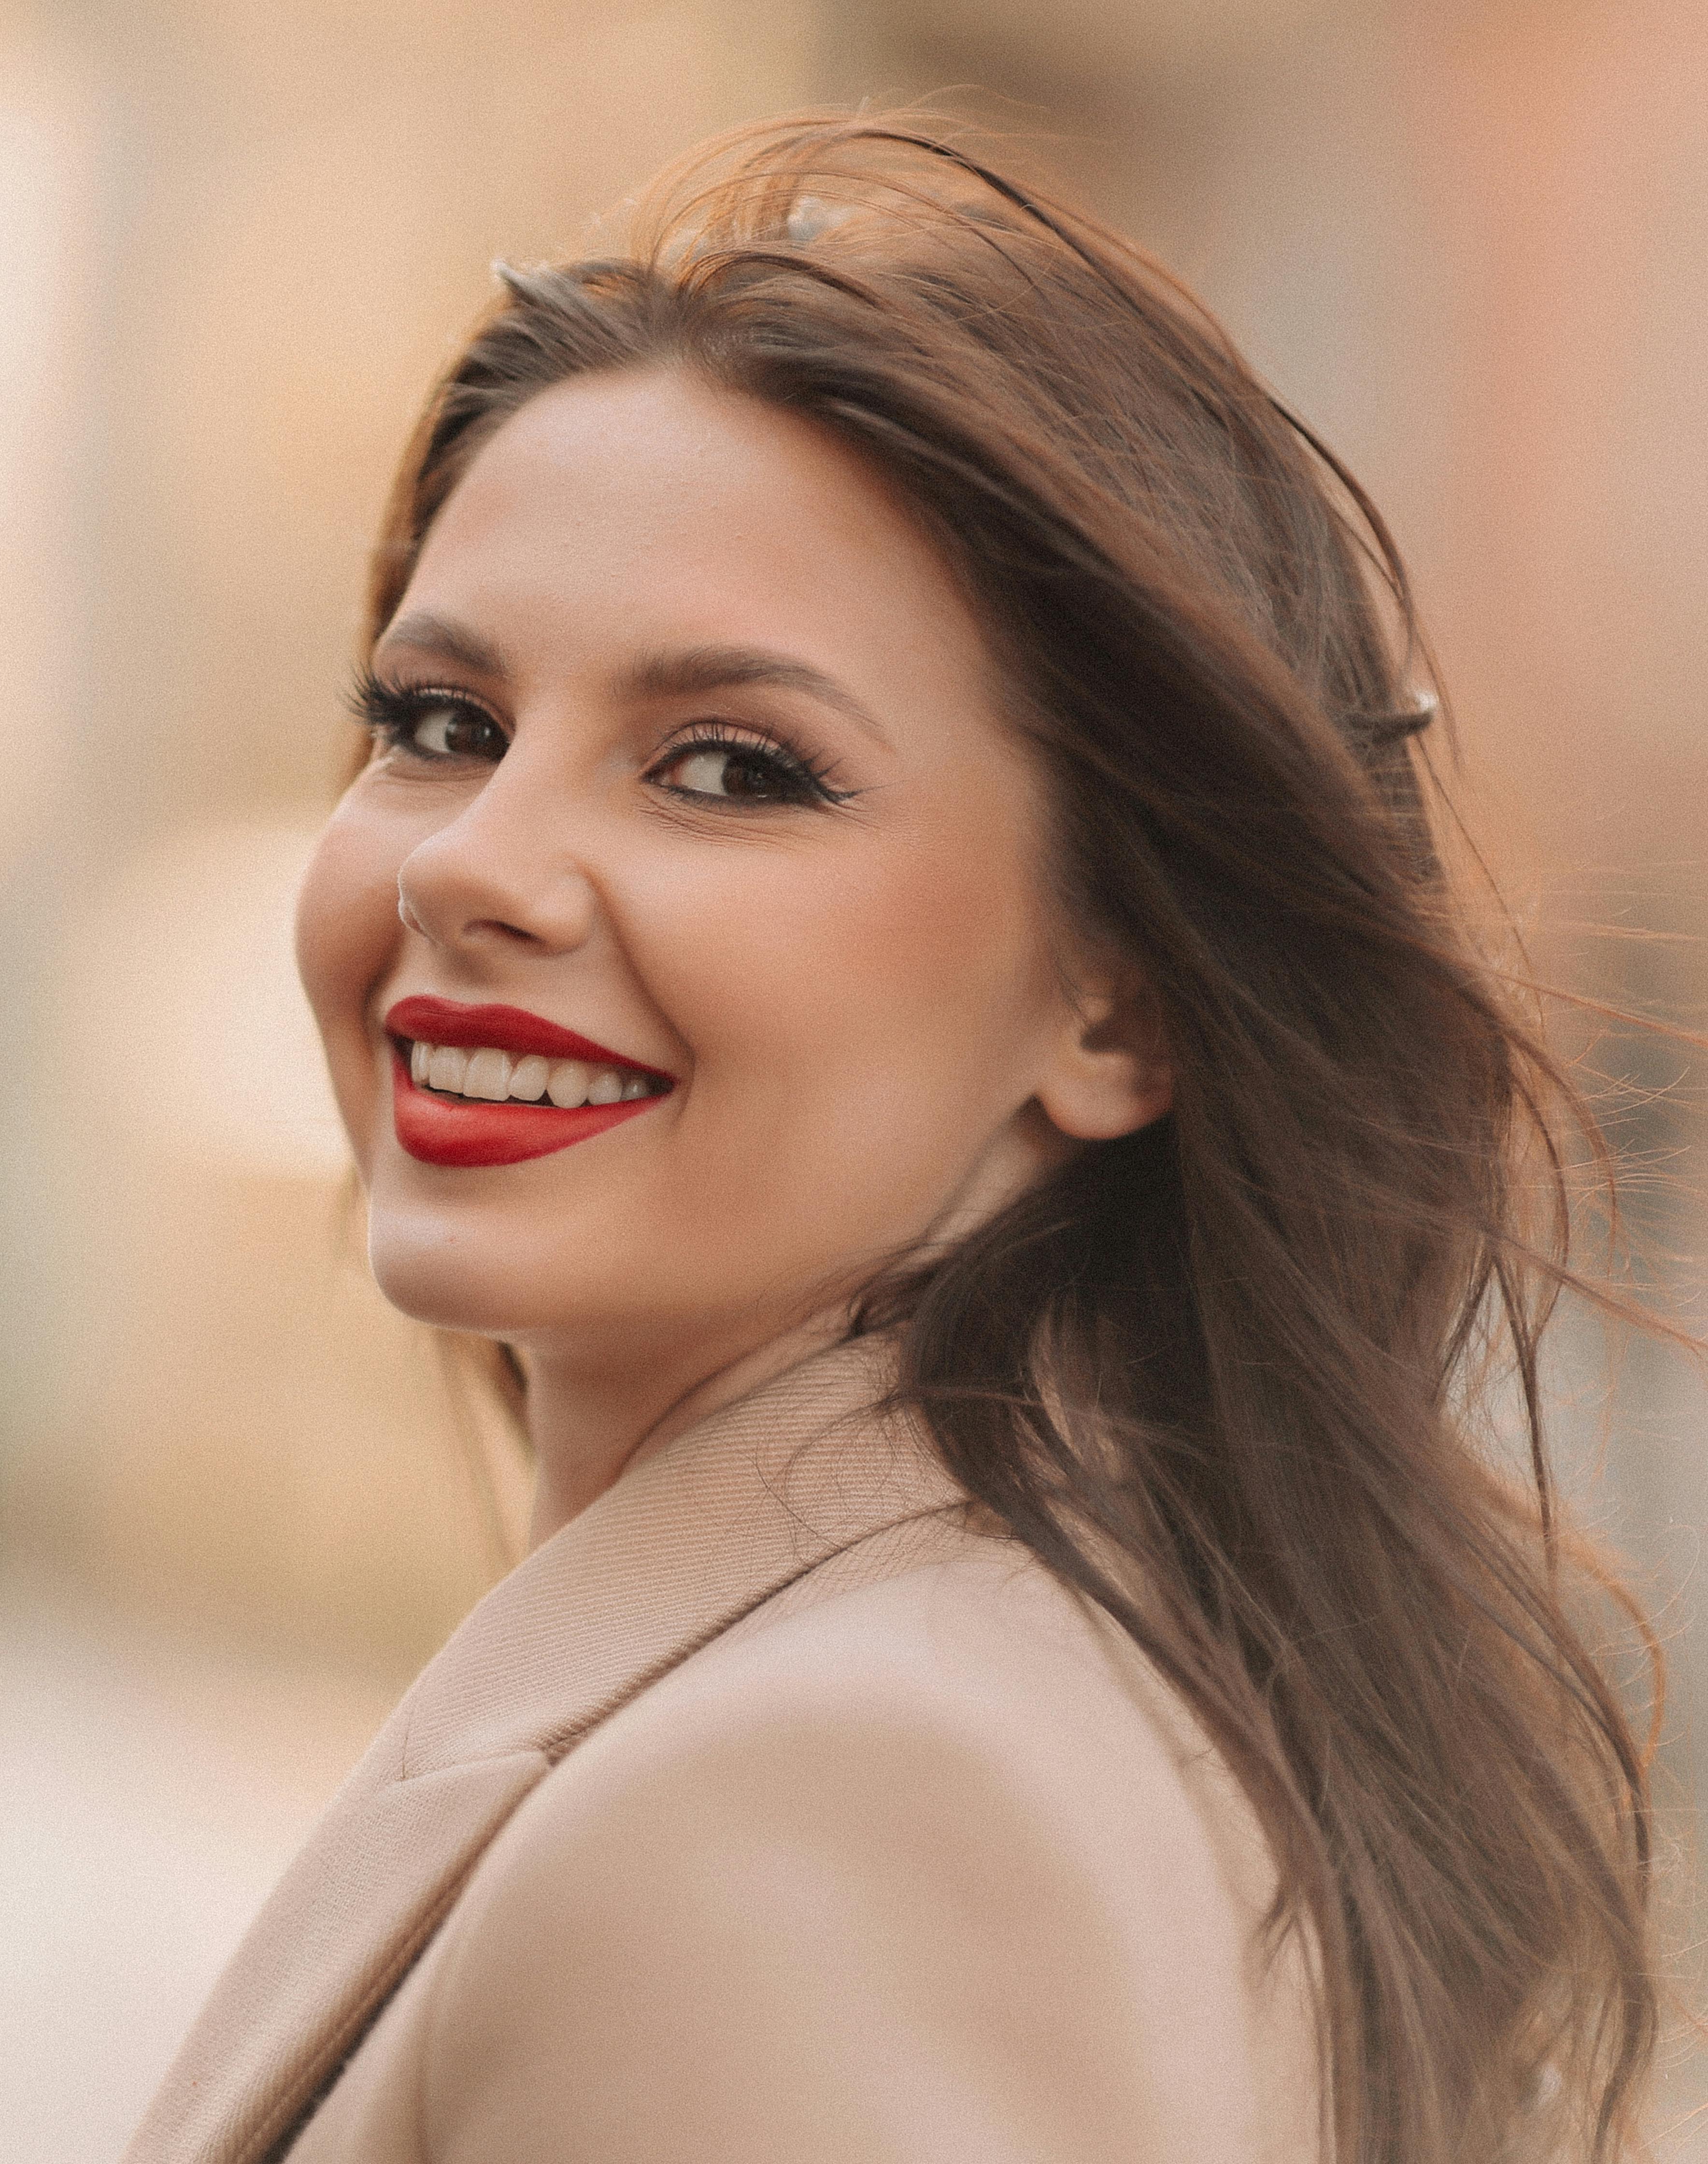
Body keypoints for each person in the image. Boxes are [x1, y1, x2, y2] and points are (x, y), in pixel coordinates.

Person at [124, 114, 1660, 2164]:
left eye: (733, 767)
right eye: (441, 722)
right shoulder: (1025, 1664)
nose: (476, 865)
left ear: (1117, 998)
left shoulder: (826, 1794)